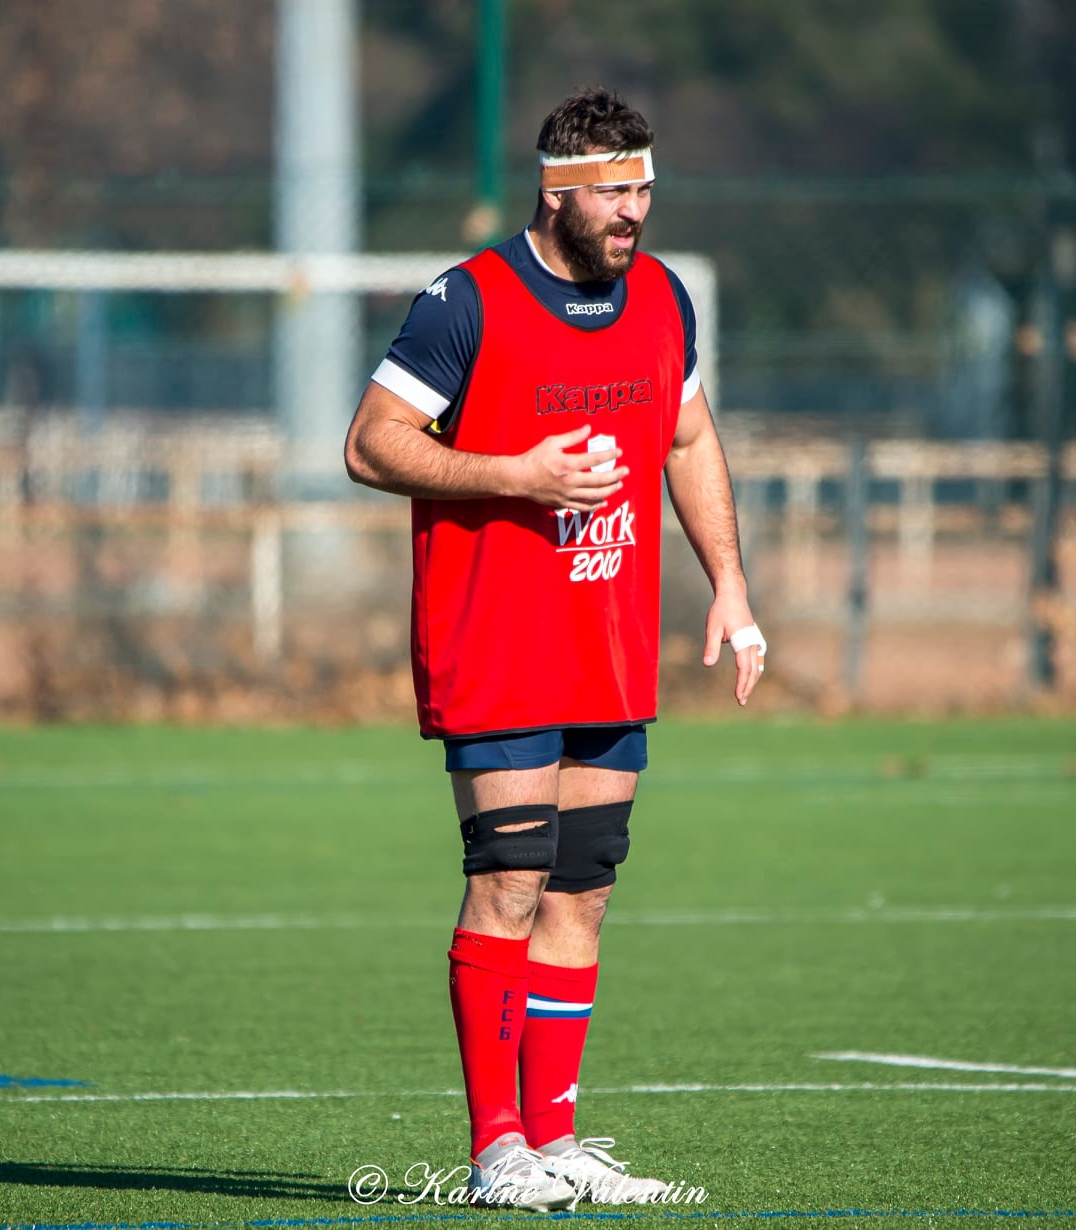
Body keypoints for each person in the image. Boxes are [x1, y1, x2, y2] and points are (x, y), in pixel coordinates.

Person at [343, 86, 764, 1210]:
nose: (635, 211)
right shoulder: (465, 302)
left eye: (646, 188)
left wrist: (729, 583)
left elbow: (689, 438)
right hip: (497, 645)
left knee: (582, 891)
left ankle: (558, 1140)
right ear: (558, 191)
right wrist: (515, 475)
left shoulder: (663, 297)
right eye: (615, 192)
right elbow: (371, 444)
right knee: (511, 880)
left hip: (610, 647)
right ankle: (497, 1154)